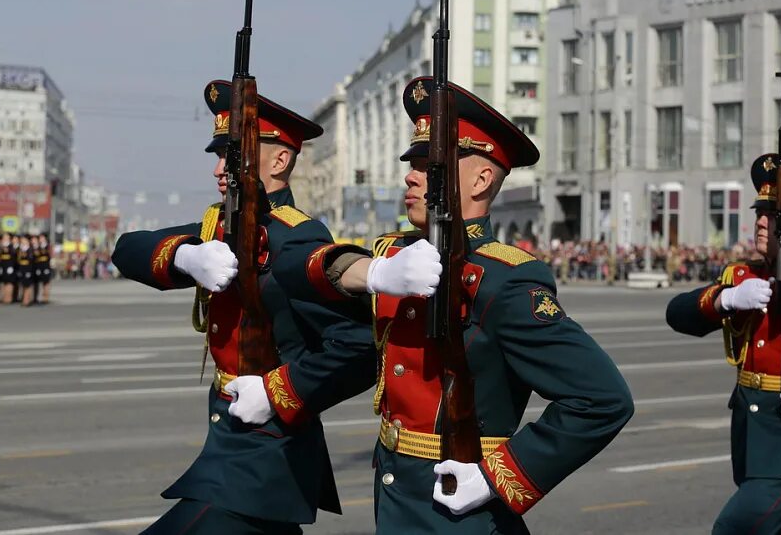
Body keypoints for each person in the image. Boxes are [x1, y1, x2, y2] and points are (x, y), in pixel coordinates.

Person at [253, 77, 634, 534]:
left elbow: (602, 399)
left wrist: (497, 477)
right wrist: (373, 274)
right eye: (412, 164)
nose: (411, 176)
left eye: (430, 166)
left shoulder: (503, 280)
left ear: (482, 179)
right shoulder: (396, 257)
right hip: (398, 495)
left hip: (459, 510)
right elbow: (294, 265)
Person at [111, 80, 375, 534]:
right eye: (217, 156)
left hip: (266, 452)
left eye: (232, 155)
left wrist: (276, 393)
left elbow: (358, 347)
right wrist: (184, 255)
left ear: (280, 159)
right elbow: (127, 248)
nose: (218, 169)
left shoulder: (298, 235)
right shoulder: (218, 226)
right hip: (237, 447)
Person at [666, 154, 781, 534]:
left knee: (736, 529)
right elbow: (677, 314)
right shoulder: (741, 277)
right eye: (759, 213)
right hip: (751, 427)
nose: (762, 222)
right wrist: (726, 299)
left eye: (774, 213)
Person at [16, 235, 34, 307]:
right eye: (22, 240)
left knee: (27, 286)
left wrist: (29, 271)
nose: (23, 242)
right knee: (23, 285)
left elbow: (31, 261)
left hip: (28, 269)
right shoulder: (20, 249)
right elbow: (18, 260)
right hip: (22, 269)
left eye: (24, 240)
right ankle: (24, 299)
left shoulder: (30, 249)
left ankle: (27, 301)